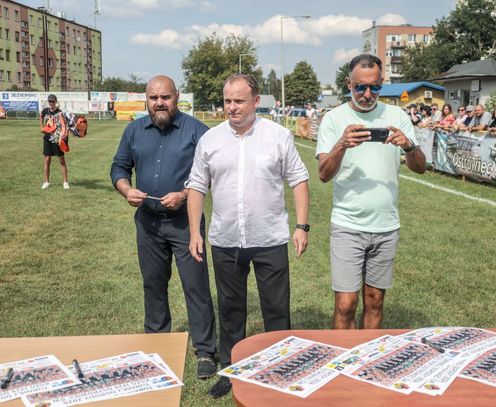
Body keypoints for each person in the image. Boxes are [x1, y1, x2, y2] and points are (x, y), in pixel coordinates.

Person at [187, 74, 310, 398]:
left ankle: (280, 368)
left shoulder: (278, 136)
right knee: (231, 309)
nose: (232, 107)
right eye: (227, 101)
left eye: (239, 101)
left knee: (276, 309)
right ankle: (232, 371)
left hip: (269, 238)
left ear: (256, 101)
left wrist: (302, 226)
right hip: (226, 239)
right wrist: (194, 231)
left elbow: (299, 180)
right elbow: (197, 186)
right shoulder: (210, 140)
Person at [110, 75, 217, 380]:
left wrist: (184, 194)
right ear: (146, 99)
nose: (159, 103)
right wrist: (125, 189)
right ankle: (156, 345)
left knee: (195, 286)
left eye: (165, 97)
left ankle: (205, 350)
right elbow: (119, 167)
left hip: (185, 224)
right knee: (153, 285)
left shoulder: (197, 131)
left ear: (177, 97)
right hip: (148, 224)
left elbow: (212, 172)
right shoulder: (133, 131)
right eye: (154, 97)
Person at [316, 54, 426, 331]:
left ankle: (367, 356)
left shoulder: (397, 116)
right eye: (360, 87)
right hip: (347, 224)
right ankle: (343, 356)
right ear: (348, 84)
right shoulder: (334, 118)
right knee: (345, 304)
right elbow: (323, 174)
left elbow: (420, 168)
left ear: (382, 83)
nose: (367, 94)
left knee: (375, 301)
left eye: (375, 87)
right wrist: (341, 144)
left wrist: (408, 146)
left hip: (386, 225)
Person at [40, 94, 69, 189]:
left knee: (61, 160)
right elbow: (41, 116)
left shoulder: (60, 112)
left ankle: (65, 182)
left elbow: (64, 125)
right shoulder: (45, 111)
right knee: (47, 160)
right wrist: (42, 127)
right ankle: (46, 182)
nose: (51, 103)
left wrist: (63, 137)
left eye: (53, 101)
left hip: (57, 139)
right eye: (50, 101)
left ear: (56, 102)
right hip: (47, 138)